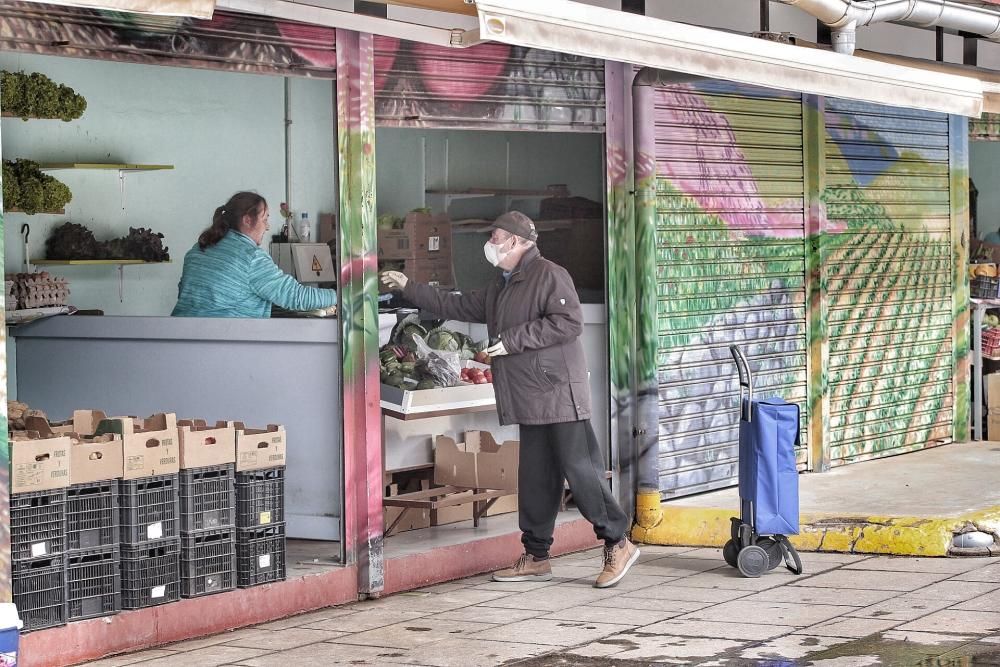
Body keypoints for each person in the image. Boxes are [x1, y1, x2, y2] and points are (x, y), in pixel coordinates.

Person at [380, 211, 639, 588]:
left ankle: (618, 542)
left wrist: (513, 340)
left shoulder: (549, 275)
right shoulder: (502, 285)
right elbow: (458, 304)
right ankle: (536, 555)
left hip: (559, 393)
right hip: (529, 396)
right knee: (535, 478)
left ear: (517, 241)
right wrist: (409, 287)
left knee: (581, 472)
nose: (491, 242)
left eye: (496, 236)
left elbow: (569, 323)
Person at [172, 191, 337, 318]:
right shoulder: (250, 257)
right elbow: (296, 297)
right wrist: (340, 295)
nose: (267, 227)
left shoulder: (198, 249)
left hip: (181, 341)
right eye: (264, 220)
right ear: (247, 220)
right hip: (223, 345)